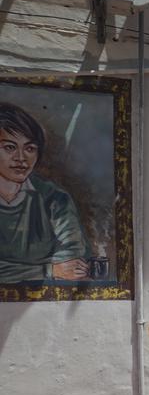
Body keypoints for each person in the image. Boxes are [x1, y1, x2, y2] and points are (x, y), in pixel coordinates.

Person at [0, 103, 89, 283]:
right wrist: (48, 270)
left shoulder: (55, 199)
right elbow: (59, 270)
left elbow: (71, 260)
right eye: (10, 147)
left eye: (30, 148)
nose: (21, 157)